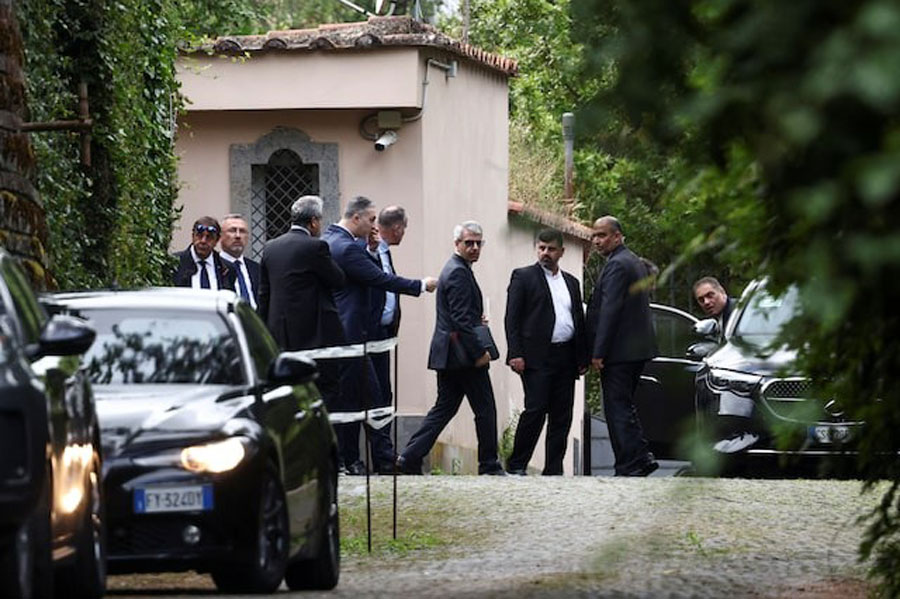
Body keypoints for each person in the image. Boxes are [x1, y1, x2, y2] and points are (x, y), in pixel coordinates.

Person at [323, 196, 437, 475]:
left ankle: (356, 460)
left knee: (368, 397)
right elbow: (379, 279)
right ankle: (374, 460)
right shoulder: (346, 246)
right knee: (371, 399)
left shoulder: (344, 243)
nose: (375, 226)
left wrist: (372, 250)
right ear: (357, 218)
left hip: (371, 334)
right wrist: (420, 285)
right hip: (352, 337)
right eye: (372, 220)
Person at [397, 221, 505, 476]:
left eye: (479, 243)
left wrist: (475, 320)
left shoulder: (459, 269)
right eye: (469, 242)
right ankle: (489, 465)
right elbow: (460, 320)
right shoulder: (457, 271)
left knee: (444, 408)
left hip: (451, 354)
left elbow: (461, 315)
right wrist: (479, 353)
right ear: (457, 243)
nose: (474, 247)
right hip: (463, 355)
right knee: (485, 409)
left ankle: (409, 457)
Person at [258, 196, 346, 461]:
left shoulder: (270, 247)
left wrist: (265, 333)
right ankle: (319, 449)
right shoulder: (315, 247)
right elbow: (337, 279)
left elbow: (264, 294)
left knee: (285, 395)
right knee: (323, 390)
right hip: (313, 335)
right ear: (314, 221)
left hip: (279, 335)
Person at [504, 229, 589, 475]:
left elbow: (578, 320)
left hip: (566, 356)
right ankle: (517, 464)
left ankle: (553, 469)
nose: (545, 253)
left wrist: (582, 357)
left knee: (562, 416)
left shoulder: (571, 282)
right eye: (541, 248)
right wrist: (515, 353)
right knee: (536, 409)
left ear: (561, 252)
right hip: (536, 356)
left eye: (551, 249)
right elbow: (512, 318)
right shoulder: (523, 277)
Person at [586, 215, 659, 476]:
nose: (596, 241)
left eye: (602, 235)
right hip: (632, 349)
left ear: (617, 236)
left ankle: (631, 464)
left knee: (616, 407)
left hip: (620, 351)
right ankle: (640, 458)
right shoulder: (631, 261)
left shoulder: (618, 264)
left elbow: (610, 310)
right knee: (623, 405)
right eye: (594, 235)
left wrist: (598, 352)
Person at [368, 206, 410, 467]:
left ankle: (384, 458)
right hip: (368, 332)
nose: (404, 233)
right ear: (397, 228)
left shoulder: (384, 251)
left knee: (384, 394)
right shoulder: (369, 250)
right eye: (404, 228)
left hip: (384, 333)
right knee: (374, 396)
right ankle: (379, 459)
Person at [172, 216, 236, 290]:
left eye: (209, 237)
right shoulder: (175, 263)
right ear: (193, 236)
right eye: (199, 235)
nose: (203, 241)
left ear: (217, 240)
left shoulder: (226, 268)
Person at [218, 214, 260, 309]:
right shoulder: (214, 266)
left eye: (242, 231)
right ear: (220, 236)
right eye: (232, 230)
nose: (238, 236)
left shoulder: (256, 269)